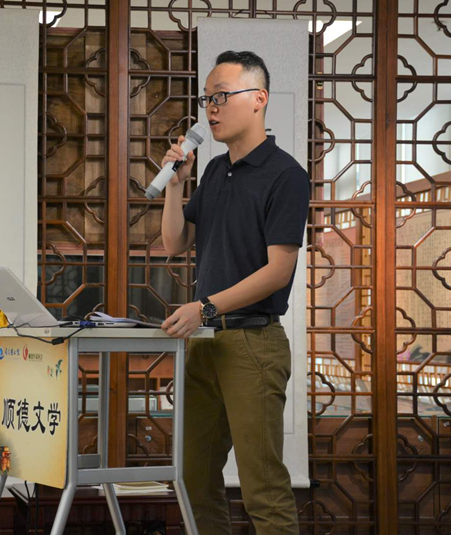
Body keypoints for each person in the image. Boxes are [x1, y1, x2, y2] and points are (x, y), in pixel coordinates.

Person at [159, 50, 310, 534]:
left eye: (221, 96)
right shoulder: (214, 171)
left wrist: (204, 306)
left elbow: (278, 271)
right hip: (206, 341)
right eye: (207, 98)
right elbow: (175, 242)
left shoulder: (286, 175)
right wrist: (175, 186)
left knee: (262, 487)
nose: (211, 108)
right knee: (194, 477)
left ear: (259, 98)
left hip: (253, 344)